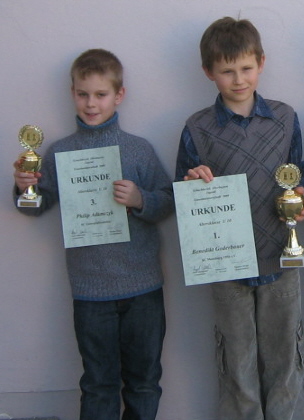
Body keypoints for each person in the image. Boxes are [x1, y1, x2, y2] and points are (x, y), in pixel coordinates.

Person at [13, 49, 175, 420]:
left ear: (119, 95)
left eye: (101, 94)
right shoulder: (59, 152)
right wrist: (25, 189)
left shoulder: (138, 149)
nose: (91, 103)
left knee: (144, 382)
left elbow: (167, 202)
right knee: (98, 384)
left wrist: (140, 199)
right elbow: (35, 207)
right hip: (90, 290)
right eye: (83, 94)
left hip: (143, 288)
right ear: (72, 93)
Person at [175, 17, 304, 420]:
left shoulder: (286, 118)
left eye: (246, 68)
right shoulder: (197, 128)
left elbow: (297, 175)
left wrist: (300, 199)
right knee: (237, 365)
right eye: (227, 71)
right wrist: (193, 183)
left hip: (280, 259)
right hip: (226, 266)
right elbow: (182, 198)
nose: (238, 79)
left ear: (261, 63)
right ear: (208, 72)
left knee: (287, 361)